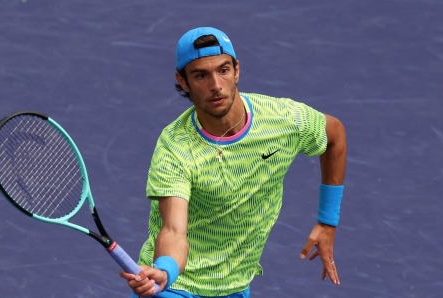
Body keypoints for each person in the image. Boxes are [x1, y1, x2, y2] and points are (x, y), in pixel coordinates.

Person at [120, 27, 347, 298]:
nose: (216, 85)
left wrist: (328, 220)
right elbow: (173, 230)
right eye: (201, 75)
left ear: (237, 70)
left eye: (223, 70)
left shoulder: (285, 119)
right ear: (182, 81)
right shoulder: (174, 148)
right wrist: (166, 271)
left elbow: (335, 136)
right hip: (176, 287)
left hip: (235, 286)